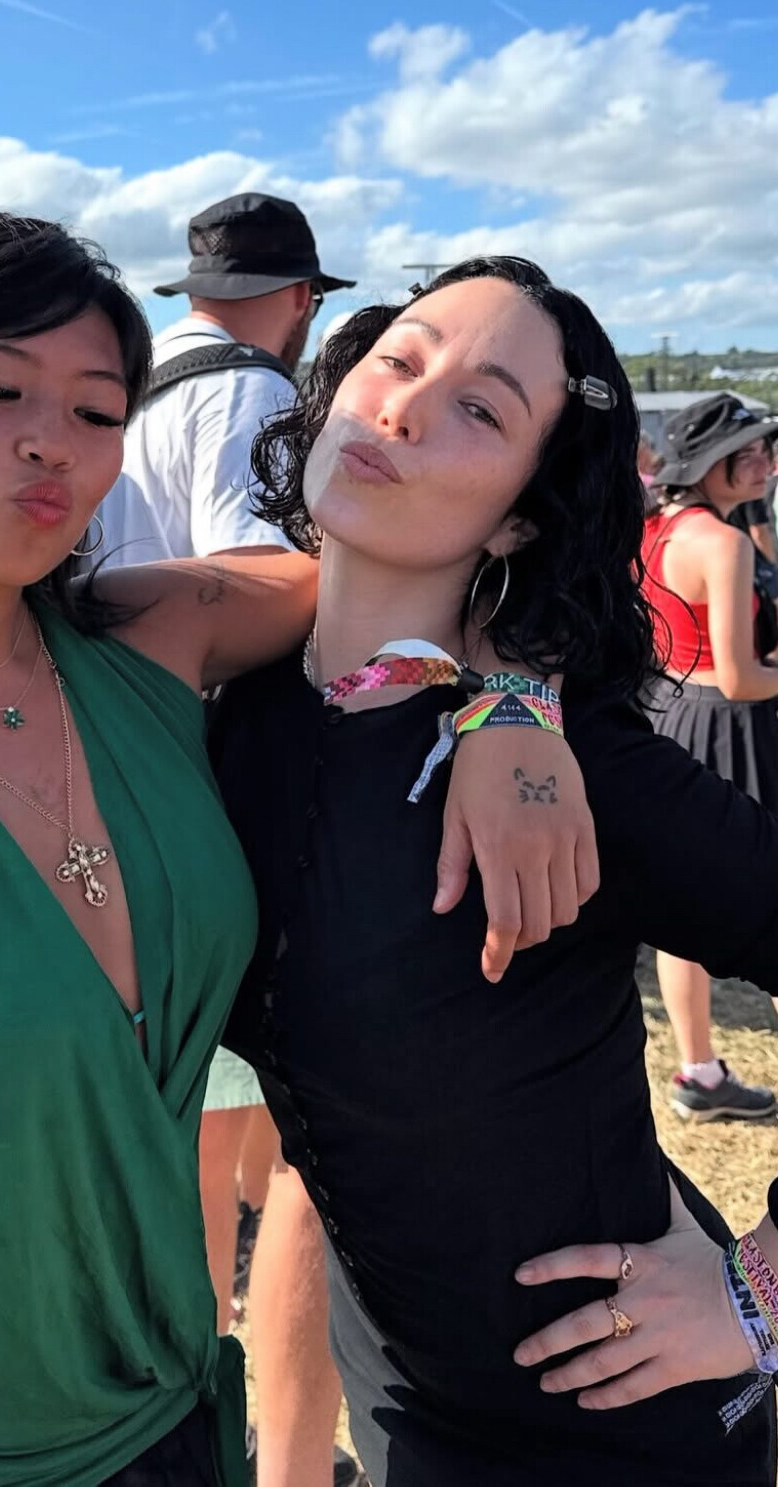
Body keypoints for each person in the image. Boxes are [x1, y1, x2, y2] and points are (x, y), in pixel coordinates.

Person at [0, 216, 591, 1487]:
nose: (53, 441)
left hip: (159, 1421)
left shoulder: (159, 633)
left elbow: (422, 554)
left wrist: (513, 707)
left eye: (95, 409)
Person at [198, 257, 778, 1484]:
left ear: (522, 512)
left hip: (614, 1422)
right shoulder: (234, 716)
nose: (404, 408)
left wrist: (760, 1288)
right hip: (401, 1398)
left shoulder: (577, 767)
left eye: (481, 408)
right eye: (398, 360)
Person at [97, 190, 359, 1487]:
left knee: (189, 1136)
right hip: (217, 794)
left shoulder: (131, 398)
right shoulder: (252, 396)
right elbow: (259, 599)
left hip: (117, 784)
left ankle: (191, 1401)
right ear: (299, 299)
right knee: (267, 1141)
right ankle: (249, 1432)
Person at [639, 393, 778, 1121]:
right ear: (705, 464)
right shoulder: (722, 543)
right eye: (743, 452)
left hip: (670, 712)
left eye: (765, 449)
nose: (763, 463)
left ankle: (698, 1071)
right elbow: (740, 676)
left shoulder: (656, 526)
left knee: (682, 909)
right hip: (732, 724)